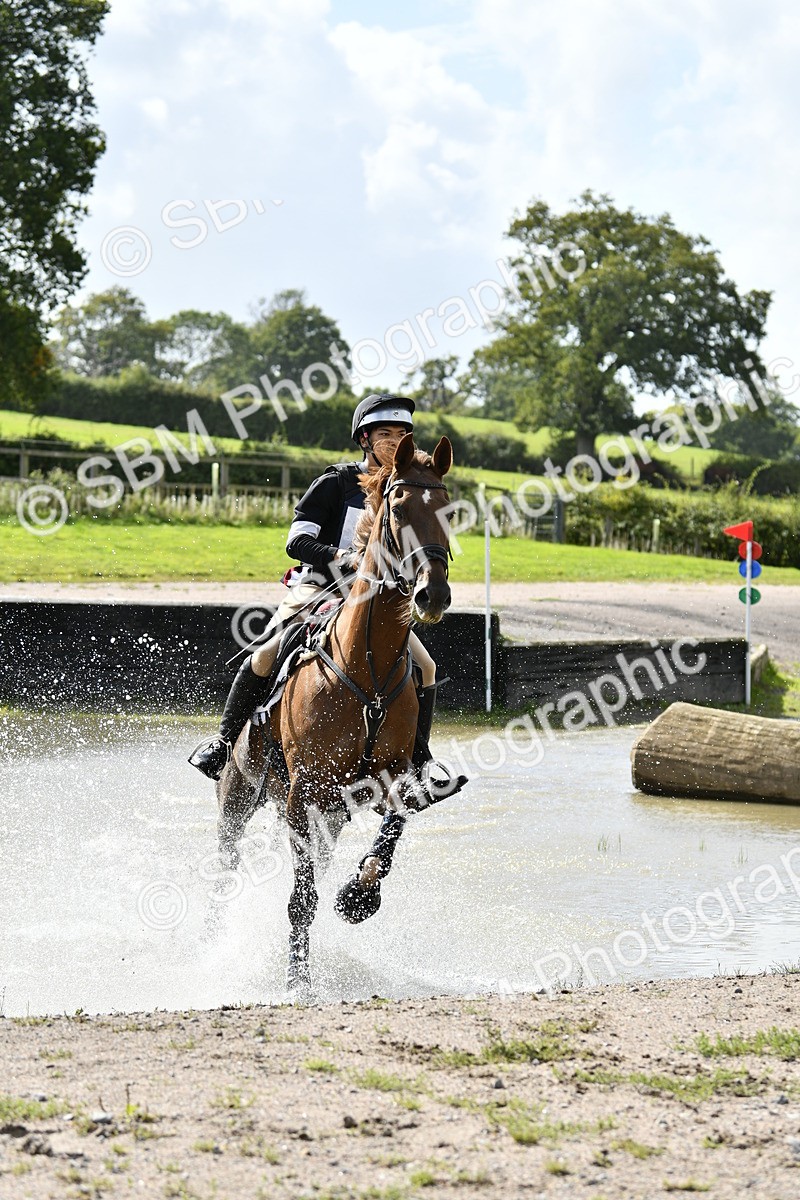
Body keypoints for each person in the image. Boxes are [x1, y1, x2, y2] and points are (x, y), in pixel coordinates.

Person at [189, 394, 467, 804]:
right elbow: (296, 541)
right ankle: (224, 743)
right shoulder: (336, 482)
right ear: (364, 439)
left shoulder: (408, 487)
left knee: (425, 666)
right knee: (266, 651)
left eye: (401, 434)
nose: (394, 441)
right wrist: (343, 557)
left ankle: (419, 763)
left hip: (370, 599)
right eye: (384, 433)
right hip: (318, 587)